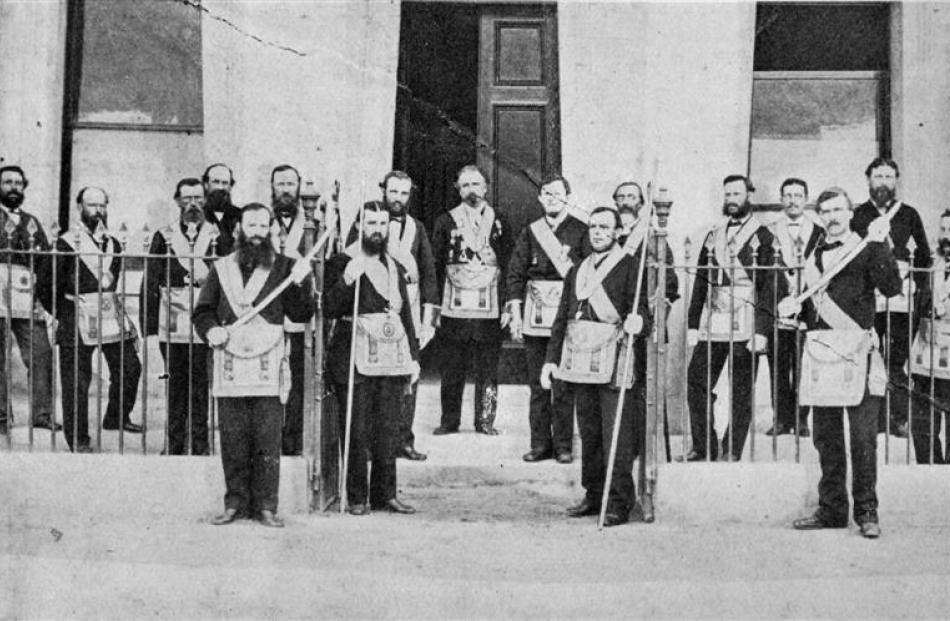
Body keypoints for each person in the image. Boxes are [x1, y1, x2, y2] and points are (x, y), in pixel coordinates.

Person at [781, 187, 900, 539]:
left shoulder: (864, 248)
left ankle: (867, 512)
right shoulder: (814, 256)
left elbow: (892, 287)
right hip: (822, 352)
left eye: (839, 210)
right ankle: (832, 509)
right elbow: (810, 304)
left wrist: (880, 243)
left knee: (863, 437)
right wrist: (792, 306)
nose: (832, 217)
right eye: (826, 211)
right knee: (826, 437)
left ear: (850, 213)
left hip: (856, 352)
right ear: (820, 217)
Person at [193, 202, 314, 527]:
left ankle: (266, 507)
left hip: (267, 361)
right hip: (229, 359)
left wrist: (303, 282)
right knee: (232, 437)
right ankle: (235, 503)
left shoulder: (286, 267)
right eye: (252, 226)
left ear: (272, 229)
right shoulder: (221, 268)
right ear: (239, 230)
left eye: (264, 226)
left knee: (266, 437)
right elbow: (202, 312)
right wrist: (211, 330)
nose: (258, 233)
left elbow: (301, 315)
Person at [540, 206, 649, 526]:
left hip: (615, 357)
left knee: (615, 432)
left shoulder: (630, 267)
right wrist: (550, 360)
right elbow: (562, 317)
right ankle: (594, 493)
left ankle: (618, 502)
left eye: (605, 227)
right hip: (579, 360)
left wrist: (638, 320)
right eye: (594, 227)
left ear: (617, 232)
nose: (598, 232)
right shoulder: (578, 270)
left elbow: (642, 309)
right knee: (589, 431)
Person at [325, 202, 421, 515]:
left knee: (388, 428)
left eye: (383, 224)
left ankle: (386, 494)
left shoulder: (395, 265)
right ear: (359, 226)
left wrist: (414, 357)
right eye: (371, 223)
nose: (377, 230)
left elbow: (405, 314)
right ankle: (357, 497)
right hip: (353, 355)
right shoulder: (342, 261)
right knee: (356, 429)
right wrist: (347, 281)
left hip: (392, 357)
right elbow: (329, 307)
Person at [681, 175, 780, 462]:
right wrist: (691, 324)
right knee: (696, 380)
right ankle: (704, 445)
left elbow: (770, 287)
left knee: (740, 389)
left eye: (737, 194)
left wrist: (762, 329)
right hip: (715, 322)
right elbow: (701, 280)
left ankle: (732, 448)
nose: (731, 199)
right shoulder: (714, 235)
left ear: (749, 195)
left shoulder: (764, 237)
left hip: (748, 324)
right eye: (727, 194)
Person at [345, 171, 437, 461]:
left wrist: (429, 318)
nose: (398, 199)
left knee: (407, 376)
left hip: (404, 308)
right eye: (393, 192)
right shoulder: (367, 222)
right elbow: (350, 258)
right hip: (371, 314)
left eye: (404, 194)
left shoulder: (417, 228)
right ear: (383, 190)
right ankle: (375, 444)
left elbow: (429, 272)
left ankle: (403, 440)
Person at [43, 187, 143, 452]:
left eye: (102, 205)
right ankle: (78, 438)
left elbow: (112, 282)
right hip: (75, 315)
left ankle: (115, 417)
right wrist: (63, 313)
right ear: (79, 207)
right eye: (91, 205)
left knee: (130, 366)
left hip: (109, 315)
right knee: (77, 380)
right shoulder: (65, 243)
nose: (98, 211)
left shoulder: (114, 244)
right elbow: (45, 286)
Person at [505, 175, 588, 463]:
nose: (551, 198)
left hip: (566, 316)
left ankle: (564, 446)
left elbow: (587, 276)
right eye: (545, 193)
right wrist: (515, 314)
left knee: (563, 384)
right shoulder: (531, 232)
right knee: (537, 385)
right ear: (540, 199)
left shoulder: (581, 230)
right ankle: (540, 445)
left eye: (557, 193)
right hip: (535, 314)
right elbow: (515, 273)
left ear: (567, 196)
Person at [851, 158, 931, 438]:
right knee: (871, 357)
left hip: (900, 299)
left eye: (888, 176)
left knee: (896, 360)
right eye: (877, 176)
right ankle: (873, 419)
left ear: (896, 180)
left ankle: (897, 418)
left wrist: (914, 285)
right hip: (869, 298)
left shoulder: (909, 215)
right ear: (868, 180)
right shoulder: (859, 215)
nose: (883, 182)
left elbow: (923, 256)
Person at [140, 178, 220, 455]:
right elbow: (151, 280)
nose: (193, 204)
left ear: (205, 202)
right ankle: (174, 443)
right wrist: (148, 328)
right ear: (177, 201)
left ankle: (199, 443)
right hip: (171, 320)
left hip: (205, 320)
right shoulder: (165, 236)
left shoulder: (217, 235)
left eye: (198, 198)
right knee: (175, 384)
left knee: (201, 384)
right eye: (187, 199)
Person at [430, 165, 509, 435]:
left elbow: (509, 263)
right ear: (457, 189)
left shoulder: (500, 221)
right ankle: (449, 421)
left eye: (476, 184)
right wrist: (436, 305)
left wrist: (509, 303)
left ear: (486, 187)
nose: (471, 190)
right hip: (455, 306)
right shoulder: (445, 221)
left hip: (489, 307)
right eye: (465, 185)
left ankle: (485, 421)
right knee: (452, 368)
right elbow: (436, 264)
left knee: (488, 369)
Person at [0, 165, 58, 434]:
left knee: (41, 353)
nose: (13, 187)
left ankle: (42, 414)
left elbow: (44, 261)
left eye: (18, 183)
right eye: (7, 182)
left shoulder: (31, 221)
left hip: (25, 298)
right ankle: (1, 417)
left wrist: (43, 299)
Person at [765, 177, 824, 437]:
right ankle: (781, 418)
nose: (792, 200)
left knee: (804, 365)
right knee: (778, 364)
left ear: (806, 199)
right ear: (781, 199)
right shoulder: (768, 231)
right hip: (778, 306)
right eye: (787, 195)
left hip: (808, 307)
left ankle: (801, 419)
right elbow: (765, 270)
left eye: (798, 195)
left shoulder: (819, 232)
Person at [268, 164, 310, 456]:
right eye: (280, 184)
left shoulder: (313, 223)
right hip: (268, 310)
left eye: (291, 184)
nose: (286, 189)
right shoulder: (259, 221)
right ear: (272, 187)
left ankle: (293, 441)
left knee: (297, 380)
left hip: (299, 309)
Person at [907, 209, 950, 464]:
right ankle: (928, 467)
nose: (947, 236)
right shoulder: (930, 265)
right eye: (943, 230)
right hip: (927, 352)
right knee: (922, 419)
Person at [201, 163, 242, 255]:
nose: (220, 187)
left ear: (230, 187)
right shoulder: (199, 214)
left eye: (225, 183)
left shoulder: (241, 215)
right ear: (206, 185)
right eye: (216, 182)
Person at [612, 181, 644, 248]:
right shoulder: (608, 230)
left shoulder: (647, 232)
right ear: (616, 203)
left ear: (641, 203)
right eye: (621, 197)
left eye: (631, 197)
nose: (625, 202)